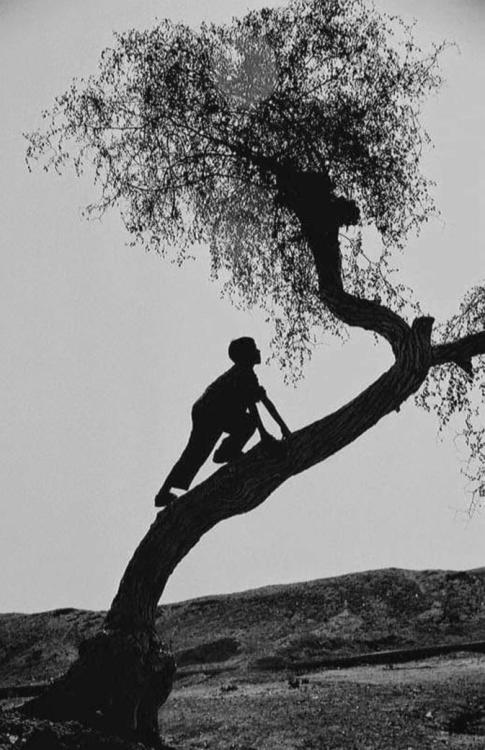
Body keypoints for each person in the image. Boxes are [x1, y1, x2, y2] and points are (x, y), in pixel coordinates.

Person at [154, 337, 291, 507]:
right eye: (254, 348)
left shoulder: (248, 375)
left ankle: (226, 452)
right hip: (209, 412)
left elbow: (266, 403)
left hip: (215, 412)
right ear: (246, 355)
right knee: (195, 453)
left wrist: (283, 428)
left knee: (196, 452)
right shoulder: (242, 374)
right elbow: (253, 408)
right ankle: (164, 493)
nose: (258, 351)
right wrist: (264, 435)